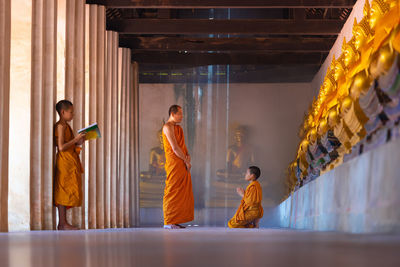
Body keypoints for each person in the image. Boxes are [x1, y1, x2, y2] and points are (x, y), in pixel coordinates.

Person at [54, 100, 86, 230]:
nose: (73, 115)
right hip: (64, 162)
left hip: (70, 161)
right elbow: (61, 147)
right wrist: (75, 140)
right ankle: (62, 223)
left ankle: (63, 223)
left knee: (67, 191)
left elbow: (70, 143)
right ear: (63, 112)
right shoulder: (60, 126)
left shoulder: (66, 126)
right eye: (71, 112)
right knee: (62, 191)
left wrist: (80, 141)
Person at [162, 105, 194, 229]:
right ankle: (168, 221)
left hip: (181, 161)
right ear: (172, 114)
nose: (182, 116)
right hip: (174, 163)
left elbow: (182, 146)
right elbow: (174, 148)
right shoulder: (167, 127)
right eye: (180, 114)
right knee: (172, 189)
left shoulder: (178, 128)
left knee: (180, 191)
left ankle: (175, 220)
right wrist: (186, 161)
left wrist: (188, 155)